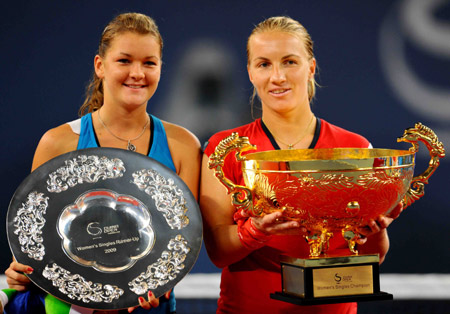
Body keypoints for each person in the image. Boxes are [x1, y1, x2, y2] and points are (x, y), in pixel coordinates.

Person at [200, 16, 402, 313]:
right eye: (264, 64)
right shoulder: (225, 148)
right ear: (250, 73)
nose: (277, 76)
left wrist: (375, 231)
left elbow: (375, 255)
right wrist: (256, 230)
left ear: (311, 67)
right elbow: (217, 251)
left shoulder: (356, 149)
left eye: (290, 62)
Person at [4, 12, 201, 314]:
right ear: (100, 66)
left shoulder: (184, 146)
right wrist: (22, 270)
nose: (137, 73)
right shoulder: (56, 143)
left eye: (149, 63)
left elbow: (179, 244)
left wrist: (157, 285)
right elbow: (36, 241)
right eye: (124, 61)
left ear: (161, 69)